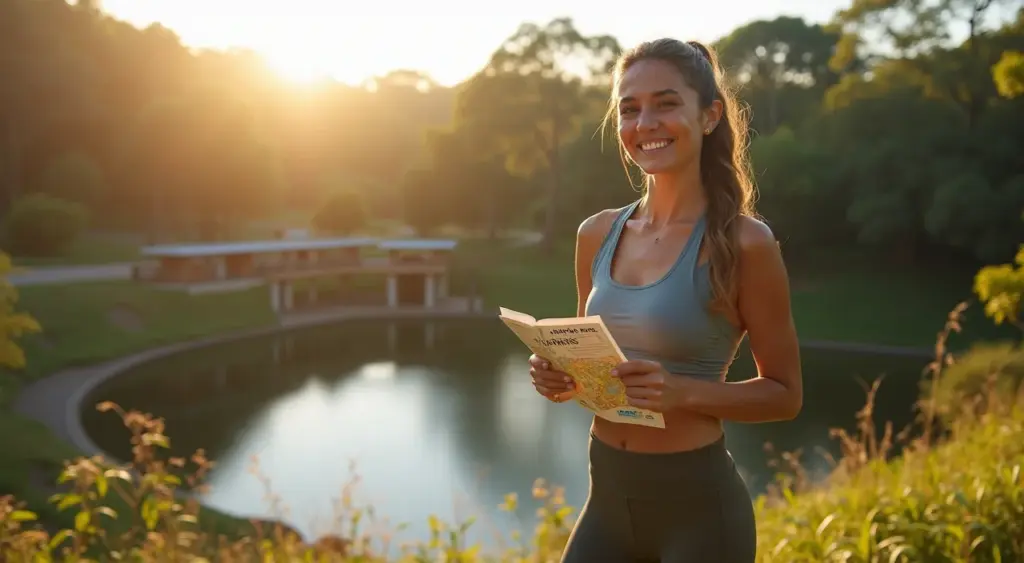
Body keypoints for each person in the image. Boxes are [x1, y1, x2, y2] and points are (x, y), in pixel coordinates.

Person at [528, 38, 803, 562]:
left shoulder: (746, 244)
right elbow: (595, 361)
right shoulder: (596, 233)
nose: (645, 122)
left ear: (709, 116)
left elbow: (785, 396)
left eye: (667, 103)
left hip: (700, 516)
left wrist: (682, 393)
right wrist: (561, 375)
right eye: (629, 109)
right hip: (606, 502)